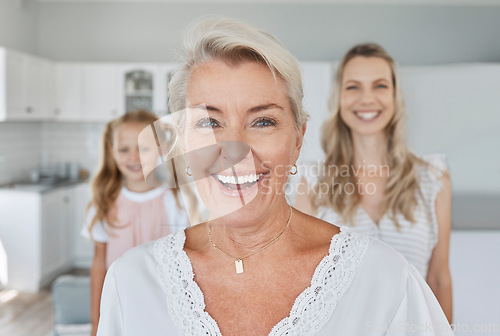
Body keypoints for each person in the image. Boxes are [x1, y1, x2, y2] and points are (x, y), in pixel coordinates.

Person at [97, 18, 454, 335]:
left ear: (298, 140)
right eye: (209, 122)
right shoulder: (131, 284)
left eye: (263, 121)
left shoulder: (386, 282)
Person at [295, 43, 453, 323]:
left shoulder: (432, 177)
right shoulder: (311, 181)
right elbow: (303, 280)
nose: (367, 99)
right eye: (353, 87)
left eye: (380, 86)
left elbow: (439, 279)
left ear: (395, 96)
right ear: (339, 98)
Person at [82, 110, 192, 336]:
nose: (134, 157)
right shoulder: (103, 204)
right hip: (118, 303)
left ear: (161, 150)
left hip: (161, 304)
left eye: (144, 148)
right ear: (112, 152)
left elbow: (185, 261)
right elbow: (99, 264)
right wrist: (96, 321)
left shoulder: (175, 201)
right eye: (124, 149)